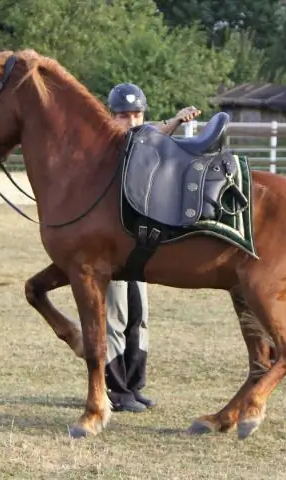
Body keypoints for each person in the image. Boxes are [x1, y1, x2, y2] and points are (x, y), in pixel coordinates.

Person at [104, 82, 201, 412]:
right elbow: (144, 133)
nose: (130, 122)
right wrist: (172, 122)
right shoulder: (107, 141)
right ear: (110, 116)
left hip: (139, 246)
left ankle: (135, 385)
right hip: (111, 247)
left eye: (135, 115)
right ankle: (116, 391)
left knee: (139, 316)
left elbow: (152, 132)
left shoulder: (144, 136)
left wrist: (176, 121)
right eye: (122, 115)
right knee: (115, 317)